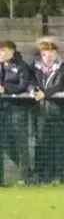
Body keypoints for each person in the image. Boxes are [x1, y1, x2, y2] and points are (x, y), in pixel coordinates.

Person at [32, 41, 64, 184]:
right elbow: (32, 83)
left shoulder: (61, 67)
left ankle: (58, 175)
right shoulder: (35, 68)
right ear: (42, 55)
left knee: (58, 145)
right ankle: (42, 176)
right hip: (41, 113)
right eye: (46, 54)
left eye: (52, 53)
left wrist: (44, 93)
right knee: (41, 144)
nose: (50, 56)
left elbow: (59, 85)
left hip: (57, 112)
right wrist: (35, 91)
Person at [0, 41, 35, 184]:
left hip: (18, 110)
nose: (1, 54)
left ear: (12, 51)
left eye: (3, 51)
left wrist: (6, 89)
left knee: (21, 144)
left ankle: (25, 177)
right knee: (5, 145)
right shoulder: (1, 66)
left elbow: (23, 86)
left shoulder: (21, 66)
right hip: (3, 110)